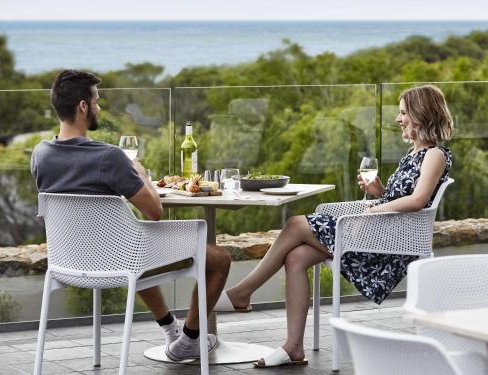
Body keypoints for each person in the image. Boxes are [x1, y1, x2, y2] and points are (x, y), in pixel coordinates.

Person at [215, 84, 453, 367]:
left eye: (403, 113)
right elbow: (401, 197)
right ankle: (293, 347)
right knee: (296, 257)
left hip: (389, 248)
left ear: (421, 114)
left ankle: (242, 293)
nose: (398, 119)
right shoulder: (412, 155)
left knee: (294, 224)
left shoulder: (434, 155)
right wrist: (379, 190)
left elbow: (417, 201)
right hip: (377, 234)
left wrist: (376, 207)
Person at [30, 69, 231, 361]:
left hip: (70, 260)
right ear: (83, 106)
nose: (98, 107)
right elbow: (154, 211)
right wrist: (138, 172)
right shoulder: (109, 157)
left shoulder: (40, 154)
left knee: (132, 243)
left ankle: (171, 330)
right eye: (96, 101)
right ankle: (189, 340)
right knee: (220, 259)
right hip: (119, 259)